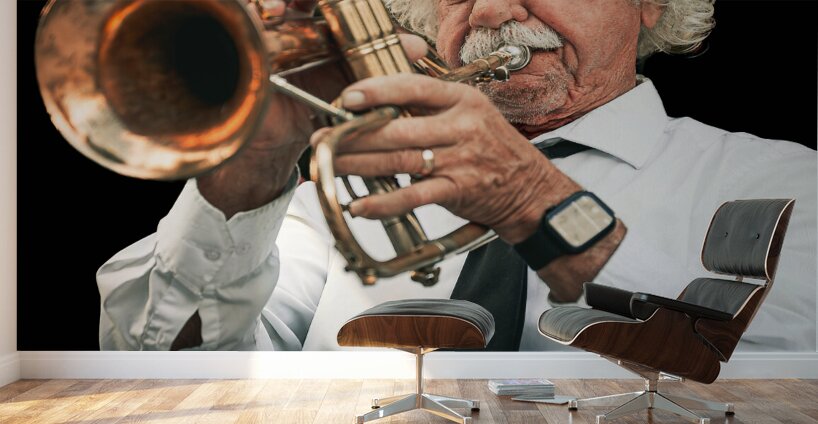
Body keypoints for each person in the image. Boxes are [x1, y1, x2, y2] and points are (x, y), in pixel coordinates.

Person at [97, 0, 816, 352]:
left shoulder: (786, 183)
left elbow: (776, 377)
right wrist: (253, 164)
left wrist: (533, 199)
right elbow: (156, 360)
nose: (496, 11)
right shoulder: (338, 196)